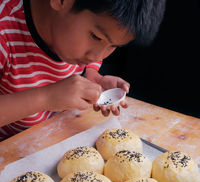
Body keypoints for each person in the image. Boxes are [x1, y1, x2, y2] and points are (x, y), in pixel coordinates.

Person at [0, 0, 166, 141]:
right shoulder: (4, 31)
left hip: (49, 141)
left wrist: (93, 77)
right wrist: (46, 97)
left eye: (114, 46)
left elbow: (92, 62)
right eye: (96, 37)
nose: (97, 56)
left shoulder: (74, 42)